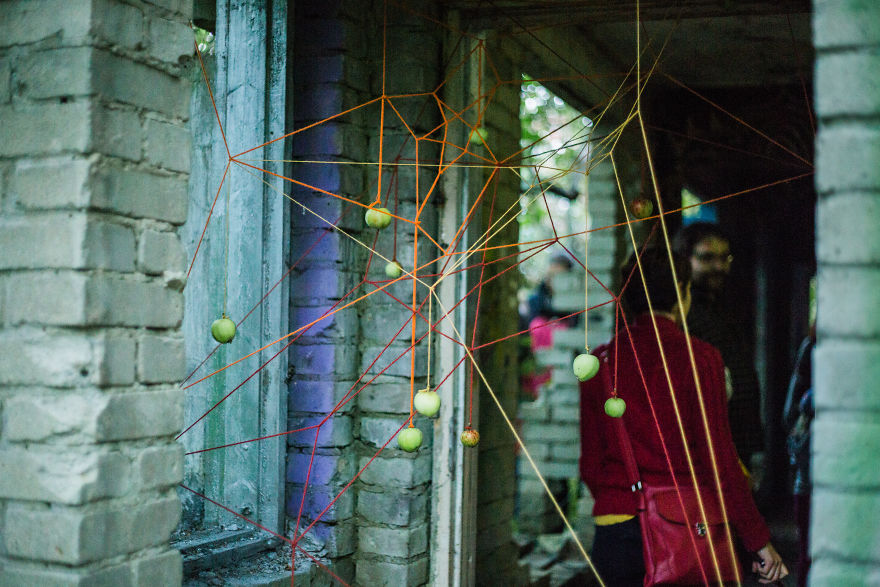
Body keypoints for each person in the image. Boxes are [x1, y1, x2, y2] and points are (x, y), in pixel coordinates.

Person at [579, 246, 788, 586]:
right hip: (684, 528)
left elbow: (591, 466)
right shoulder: (703, 359)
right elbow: (719, 460)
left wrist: (624, 500)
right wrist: (757, 539)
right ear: (683, 294)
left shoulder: (599, 362)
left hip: (615, 529)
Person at [673, 222, 764, 467]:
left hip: (735, 449)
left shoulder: (725, 311)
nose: (719, 267)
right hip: (708, 454)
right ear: (684, 261)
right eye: (707, 258)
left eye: (725, 258)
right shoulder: (681, 317)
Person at [783, 326, 814, 587]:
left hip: (808, 471)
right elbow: (791, 413)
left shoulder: (812, 345)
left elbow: (789, 414)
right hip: (812, 470)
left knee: (809, 555)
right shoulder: (812, 346)